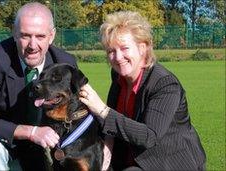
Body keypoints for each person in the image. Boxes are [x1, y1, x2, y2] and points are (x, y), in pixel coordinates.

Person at [0, 2, 78, 171]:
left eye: (40, 36)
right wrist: (32, 132)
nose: (32, 45)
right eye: (25, 35)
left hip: (39, 146)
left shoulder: (65, 64)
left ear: (52, 35)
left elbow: (79, 108)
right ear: (14, 33)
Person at [79, 11, 206, 171]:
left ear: (142, 48)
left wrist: (102, 110)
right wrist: (108, 147)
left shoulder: (164, 84)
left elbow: (149, 136)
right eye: (111, 51)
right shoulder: (118, 76)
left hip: (168, 161)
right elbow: (112, 124)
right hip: (129, 155)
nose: (118, 57)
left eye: (124, 48)